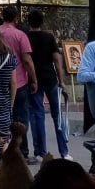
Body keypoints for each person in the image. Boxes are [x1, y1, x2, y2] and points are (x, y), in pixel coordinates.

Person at [26, 10, 68, 159]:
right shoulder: (49, 38)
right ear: (42, 22)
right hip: (51, 79)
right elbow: (57, 60)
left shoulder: (25, 38)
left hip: (33, 80)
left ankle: (40, 152)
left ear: (28, 21)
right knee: (58, 116)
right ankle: (64, 151)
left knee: (37, 116)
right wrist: (62, 81)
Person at [0, 6, 39, 154]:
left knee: (3, 115)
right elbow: (27, 60)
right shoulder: (20, 35)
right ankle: (21, 149)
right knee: (20, 118)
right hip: (20, 82)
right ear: (16, 19)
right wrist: (34, 79)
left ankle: (2, 147)